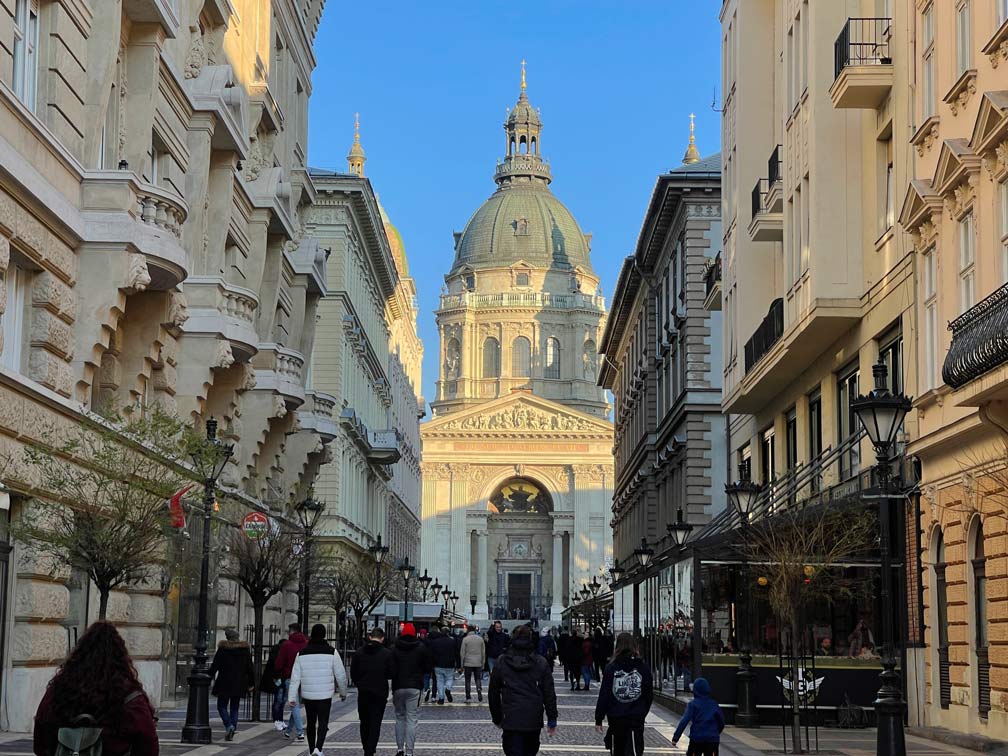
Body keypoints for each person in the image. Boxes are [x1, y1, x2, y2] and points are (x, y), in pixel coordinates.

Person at [33, 621, 159, 756]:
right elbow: (148, 744)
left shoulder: (58, 691)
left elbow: (41, 738)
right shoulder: (129, 697)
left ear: (78, 654)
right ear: (121, 658)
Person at [489, 624, 558, 756]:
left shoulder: (501, 661)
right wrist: (552, 719)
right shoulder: (541, 662)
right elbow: (549, 693)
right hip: (533, 719)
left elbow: (493, 693)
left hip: (510, 718)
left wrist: (497, 718)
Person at [288, 624, 348, 756]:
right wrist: (343, 692)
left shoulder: (302, 653)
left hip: (308, 694)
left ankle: (311, 749)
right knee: (323, 722)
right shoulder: (332, 651)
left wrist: (292, 697)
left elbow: (295, 677)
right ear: (324, 634)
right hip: (325, 694)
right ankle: (318, 748)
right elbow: (341, 675)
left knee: (310, 723)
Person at [594, 633, 653, 756]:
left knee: (618, 750)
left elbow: (604, 695)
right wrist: (642, 711)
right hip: (635, 718)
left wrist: (599, 718)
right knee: (635, 750)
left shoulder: (611, 668)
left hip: (616, 718)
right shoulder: (643, 668)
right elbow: (648, 695)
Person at [350, 627, 396, 756]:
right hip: (379, 692)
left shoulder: (359, 653)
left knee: (364, 721)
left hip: (363, 691)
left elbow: (353, 673)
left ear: (370, 637)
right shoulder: (386, 653)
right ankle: (371, 749)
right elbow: (391, 673)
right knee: (375, 722)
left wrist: (359, 683)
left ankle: (366, 748)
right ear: (382, 638)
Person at [392, 623, 431, 756]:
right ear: (415, 633)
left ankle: (399, 749)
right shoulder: (421, 647)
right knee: (411, 718)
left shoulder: (394, 648)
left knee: (399, 717)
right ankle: (409, 752)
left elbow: (390, 667)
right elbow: (427, 667)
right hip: (414, 686)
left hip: (398, 686)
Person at [208, 628, 254, 741]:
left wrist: (208, 677)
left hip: (224, 682)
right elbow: (250, 668)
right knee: (234, 707)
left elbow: (215, 665)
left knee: (221, 706)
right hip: (239, 683)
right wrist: (251, 683)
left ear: (227, 637)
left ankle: (229, 726)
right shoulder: (244, 650)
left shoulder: (223, 650)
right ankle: (232, 728)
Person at [671, 677, 725, 756]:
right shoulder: (714, 704)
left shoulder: (693, 704)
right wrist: (715, 732)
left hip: (696, 739)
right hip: (712, 740)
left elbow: (684, 721)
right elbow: (721, 721)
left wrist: (676, 738)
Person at [275, 622, 309, 742]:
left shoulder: (287, 645)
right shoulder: (307, 644)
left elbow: (279, 663)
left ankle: (300, 732)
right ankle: (289, 730)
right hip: (304, 678)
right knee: (297, 706)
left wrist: (279, 672)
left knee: (294, 704)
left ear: (292, 631)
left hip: (291, 677)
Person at [428, 625, 460, 704]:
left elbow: (432, 654)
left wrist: (432, 664)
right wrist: (459, 665)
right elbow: (457, 654)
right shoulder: (452, 641)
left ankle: (441, 698)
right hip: (450, 664)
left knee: (440, 681)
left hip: (438, 664)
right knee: (449, 678)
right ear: (448, 633)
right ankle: (448, 689)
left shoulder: (435, 642)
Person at [261, 634, 286, 731]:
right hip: (277, 678)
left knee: (281, 701)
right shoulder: (277, 653)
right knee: (279, 701)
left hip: (281, 678)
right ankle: (277, 720)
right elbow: (276, 667)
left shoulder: (277, 652)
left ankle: (280, 720)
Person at [460, 625, 487, 703]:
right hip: (478, 662)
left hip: (468, 662)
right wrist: (483, 663)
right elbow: (483, 652)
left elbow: (462, 653)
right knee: (478, 678)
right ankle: (479, 689)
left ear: (468, 630)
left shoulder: (465, 639)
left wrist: (462, 665)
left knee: (467, 680)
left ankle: (468, 697)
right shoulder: (480, 639)